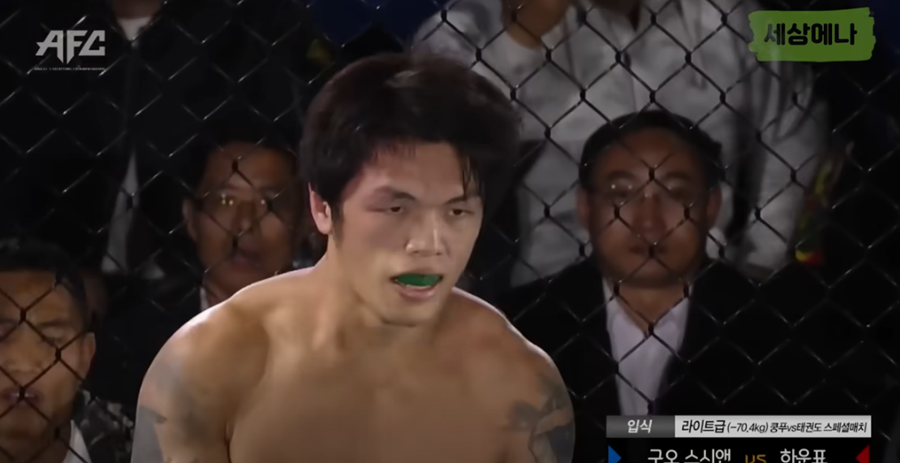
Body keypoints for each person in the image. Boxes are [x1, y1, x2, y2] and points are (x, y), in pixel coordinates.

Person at [129, 53, 575, 463]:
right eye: (396, 208)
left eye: (457, 212)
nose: (429, 244)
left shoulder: (519, 387)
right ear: (322, 207)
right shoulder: (209, 365)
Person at [497, 111, 843, 462]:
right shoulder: (513, 327)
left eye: (676, 194)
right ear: (586, 208)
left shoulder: (782, 331)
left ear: (711, 207)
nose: (649, 222)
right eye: (621, 194)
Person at [413, 0, 828, 287]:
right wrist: (520, 40)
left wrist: (762, 261)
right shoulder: (468, 27)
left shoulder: (732, 18)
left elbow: (795, 119)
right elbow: (434, 135)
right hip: (555, 298)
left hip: (712, 295)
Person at [87, 115, 311, 414]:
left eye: (269, 204)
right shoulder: (129, 344)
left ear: (303, 224)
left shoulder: (342, 338)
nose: (245, 224)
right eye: (226, 201)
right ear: (192, 220)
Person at [0, 240, 132, 463]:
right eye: (1, 337)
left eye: (51, 340)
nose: (23, 364)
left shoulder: (141, 443)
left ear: (85, 357)